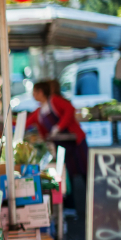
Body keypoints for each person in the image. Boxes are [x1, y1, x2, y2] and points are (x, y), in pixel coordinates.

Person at [26, 80, 89, 212]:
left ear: (41, 92)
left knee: (86, 172)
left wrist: (59, 127)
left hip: (76, 142)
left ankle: (95, 200)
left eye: (34, 92)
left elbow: (70, 110)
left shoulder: (54, 101)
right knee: (67, 176)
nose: (33, 96)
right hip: (62, 147)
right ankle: (72, 207)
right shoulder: (39, 111)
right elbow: (27, 123)